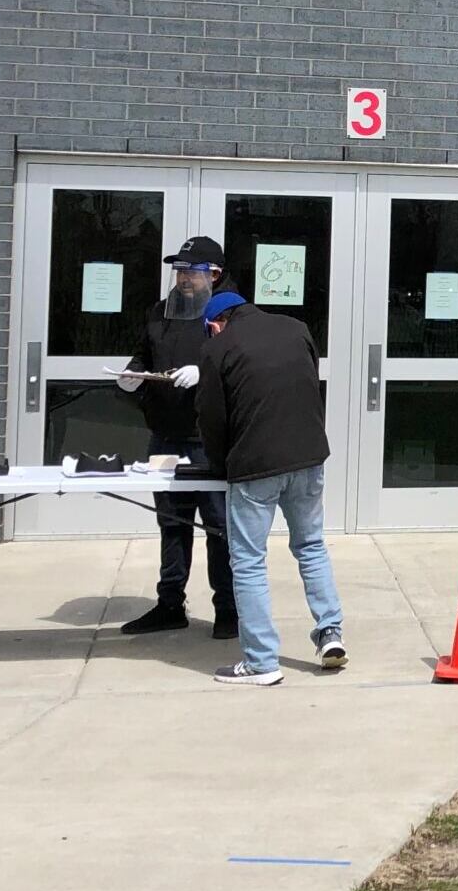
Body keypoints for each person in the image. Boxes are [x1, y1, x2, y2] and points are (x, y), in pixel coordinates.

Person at [195, 290, 345, 686]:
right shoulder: (297, 329)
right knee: (311, 546)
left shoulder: (218, 348)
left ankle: (262, 662)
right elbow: (308, 386)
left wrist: (219, 464)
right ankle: (330, 632)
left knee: (248, 562)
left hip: (255, 465)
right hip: (308, 457)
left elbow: (211, 417)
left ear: (215, 324)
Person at [114, 236, 235, 638]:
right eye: (179, 271)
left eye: (191, 271)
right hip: (165, 435)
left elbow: (241, 363)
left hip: (207, 438)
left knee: (218, 526)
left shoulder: (228, 313)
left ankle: (228, 609)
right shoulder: (160, 311)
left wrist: (206, 372)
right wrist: (133, 374)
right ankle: (169, 604)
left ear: (214, 275)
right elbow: (144, 353)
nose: (183, 278)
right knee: (172, 522)